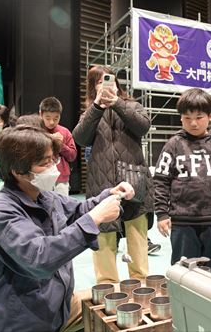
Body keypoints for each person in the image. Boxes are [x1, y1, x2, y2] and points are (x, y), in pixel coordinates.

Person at [0, 125, 134, 331]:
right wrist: (94, 218)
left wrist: (110, 194)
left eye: (53, 159)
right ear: (18, 171)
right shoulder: (1, 212)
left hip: (56, 305)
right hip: (22, 319)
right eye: (44, 163)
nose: (53, 167)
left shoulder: (43, 195)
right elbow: (40, 258)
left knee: (119, 302)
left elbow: (78, 210)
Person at [73, 65, 153, 284]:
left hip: (134, 179)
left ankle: (140, 287)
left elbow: (143, 126)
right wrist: (97, 107)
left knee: (137, 238)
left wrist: (117, 103)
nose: (105, 84)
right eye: (98, 82)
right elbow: (80, 138)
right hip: (101, 184)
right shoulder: (90, 113)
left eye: (108, 79)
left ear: (117, 83)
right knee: (103, 239)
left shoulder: (131, 104)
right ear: (93, 88)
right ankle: (107, 289)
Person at [154, 88, 211, 273]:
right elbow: (161, 180)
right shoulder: (173, 145)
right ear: (180, 118)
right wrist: (162, 214)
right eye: (187, 118)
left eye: (199, 117)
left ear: (210, 117)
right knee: (183, 274)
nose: (193, 123)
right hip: (182, 221)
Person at [39, 97, 77, 196]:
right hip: (41, 176)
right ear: (41, 114)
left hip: (61, 178)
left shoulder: (65, 132)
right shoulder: (36, 131)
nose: (52, 122)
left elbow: (72, 156)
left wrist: (61, 145)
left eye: (56, 118)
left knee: (62, 205)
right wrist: (48, 139)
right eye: (48, 118)